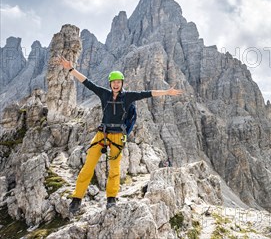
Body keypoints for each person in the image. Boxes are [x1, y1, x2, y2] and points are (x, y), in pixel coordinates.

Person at [57, 56, 183, 213]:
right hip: (101, 135)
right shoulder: (104, 94)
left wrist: (167, 92)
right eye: (113, 82)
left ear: (122, 83)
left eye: (119, 82)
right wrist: (70, 68)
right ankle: (77, 199)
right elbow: (87, 82)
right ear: (110, 84)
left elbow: (148, 93)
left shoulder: (128, 96)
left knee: (115, 170)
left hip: (117, 137)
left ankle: (111, 199)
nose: (116, 84)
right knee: (88, 167)